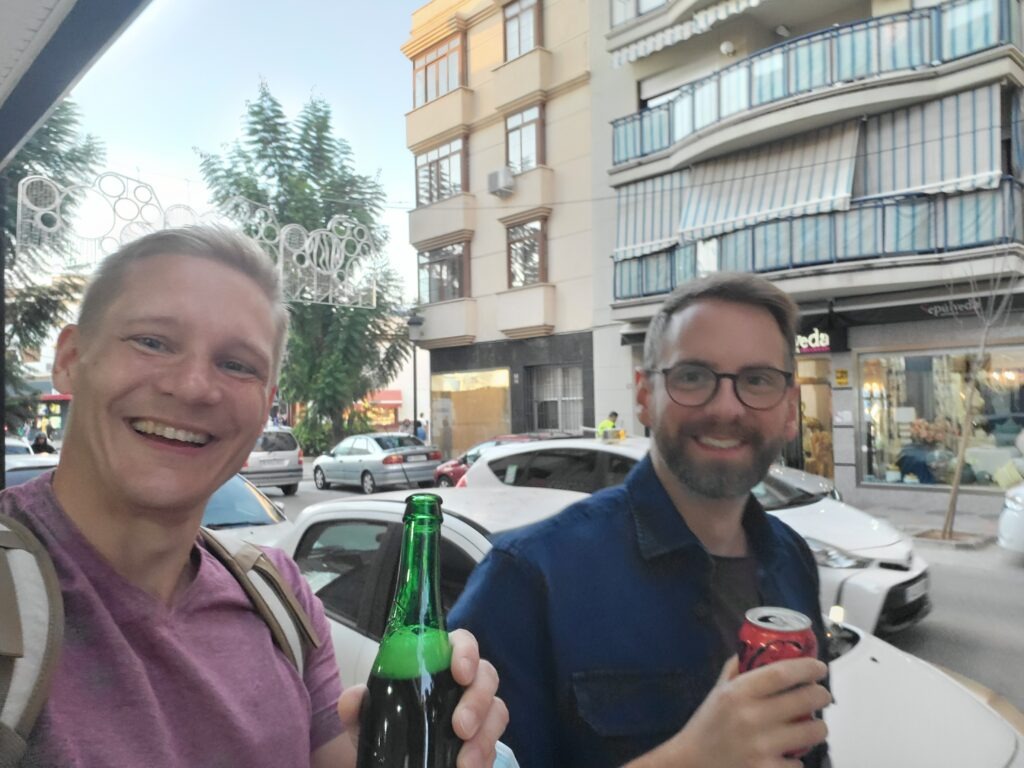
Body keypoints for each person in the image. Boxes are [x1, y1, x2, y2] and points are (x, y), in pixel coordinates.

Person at [2, 226, 507, 767]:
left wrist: (418, 745)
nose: (193, 386)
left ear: (266, 405)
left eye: (237, 364)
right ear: (71, 358)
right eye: (152, 342)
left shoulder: (279, 598)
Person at [450, 272, 831, 767]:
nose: (726, 407)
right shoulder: (528, 579)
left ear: (791, 409)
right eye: (692, 376)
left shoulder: (794, 561)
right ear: (645, 395)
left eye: (757, 380)